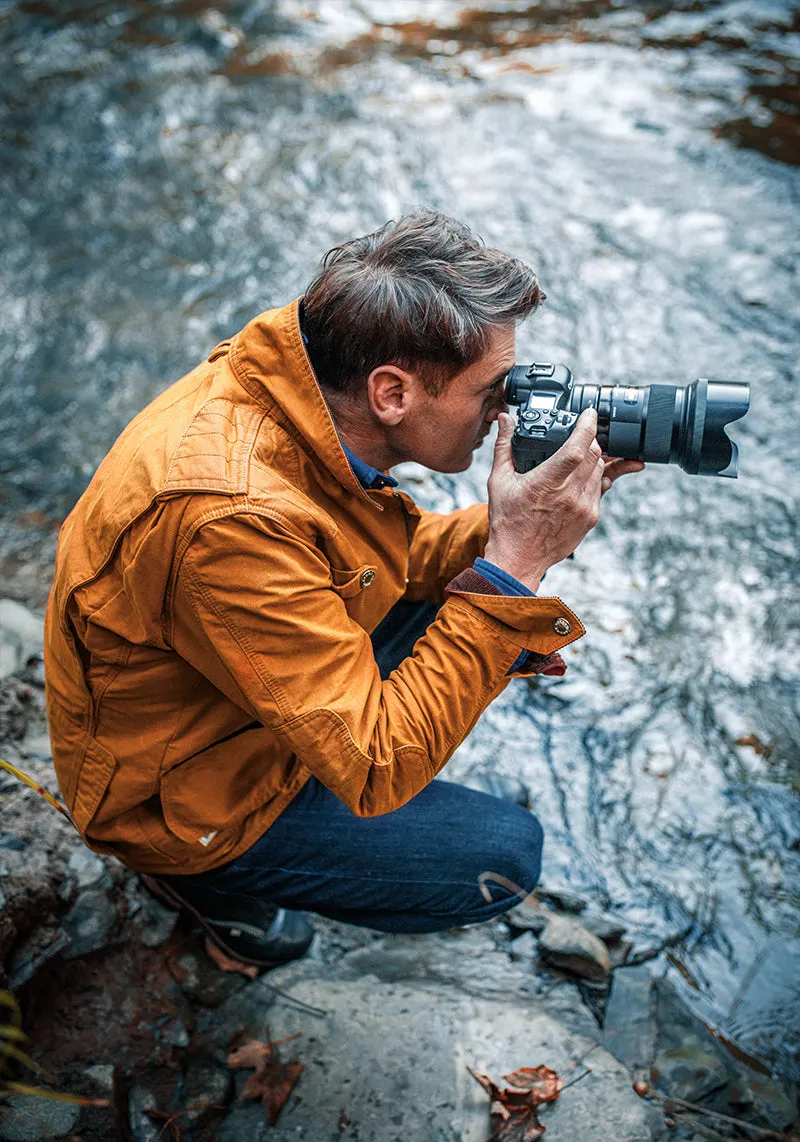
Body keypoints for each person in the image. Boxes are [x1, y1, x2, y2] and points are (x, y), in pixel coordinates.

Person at [44, 212, 642, 968]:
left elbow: (387, 554)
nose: (508, 411)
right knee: (500, 860)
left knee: (455, 610)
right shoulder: (229, 517)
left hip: (225, 689)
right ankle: (200, 881)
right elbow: (376, 765)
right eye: (492, 391)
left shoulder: (295, 388)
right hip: (175, 794)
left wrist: (526, 520)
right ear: (391, 392)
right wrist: (515, 569)